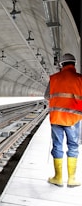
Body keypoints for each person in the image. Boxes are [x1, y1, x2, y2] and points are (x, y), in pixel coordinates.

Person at [44, 53, 82, 188]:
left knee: (57, 145)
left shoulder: (54, 78)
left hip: (56, 118)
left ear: (61, 65)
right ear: (74, 63)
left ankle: (58, 178)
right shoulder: (80, 79)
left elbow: (46, 96)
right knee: (73, 146)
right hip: (74, 119)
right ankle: (72, 179)